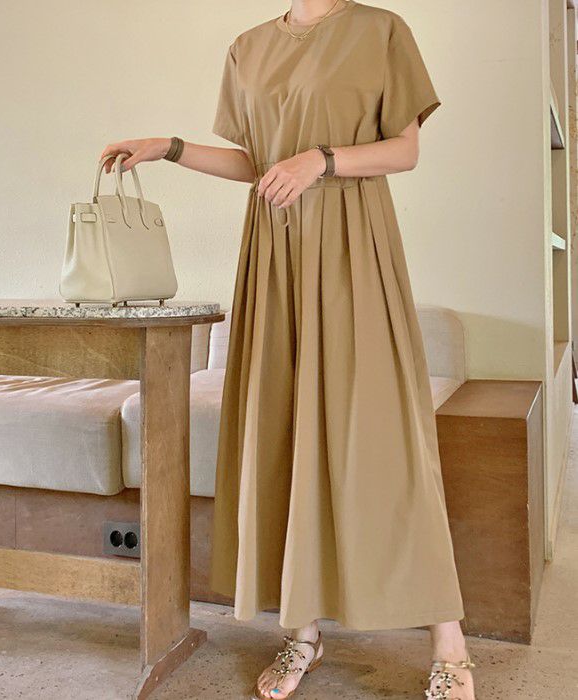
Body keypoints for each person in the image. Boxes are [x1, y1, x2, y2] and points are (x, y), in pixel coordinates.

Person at [100, 2, 476, 698]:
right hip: (275, 255)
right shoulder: (247, 48)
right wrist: (170, 148)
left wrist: (322, 160)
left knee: (384, 438)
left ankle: (448, 642)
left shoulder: (381, 30)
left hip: (355, 244)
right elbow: (256, 164)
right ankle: (301, 632)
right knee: (281, 430)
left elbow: (405, 150)